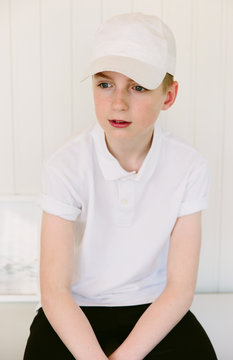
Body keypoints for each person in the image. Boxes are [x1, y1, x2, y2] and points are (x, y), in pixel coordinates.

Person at [23, 13, 217, 360]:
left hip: (153, 310)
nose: (118, 103)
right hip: (73, 312)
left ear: (168, 95)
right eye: (105, 84)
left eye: (138, 86)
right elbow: (54, 291)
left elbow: (180, 288)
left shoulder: (189, 166)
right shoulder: (65, 165)